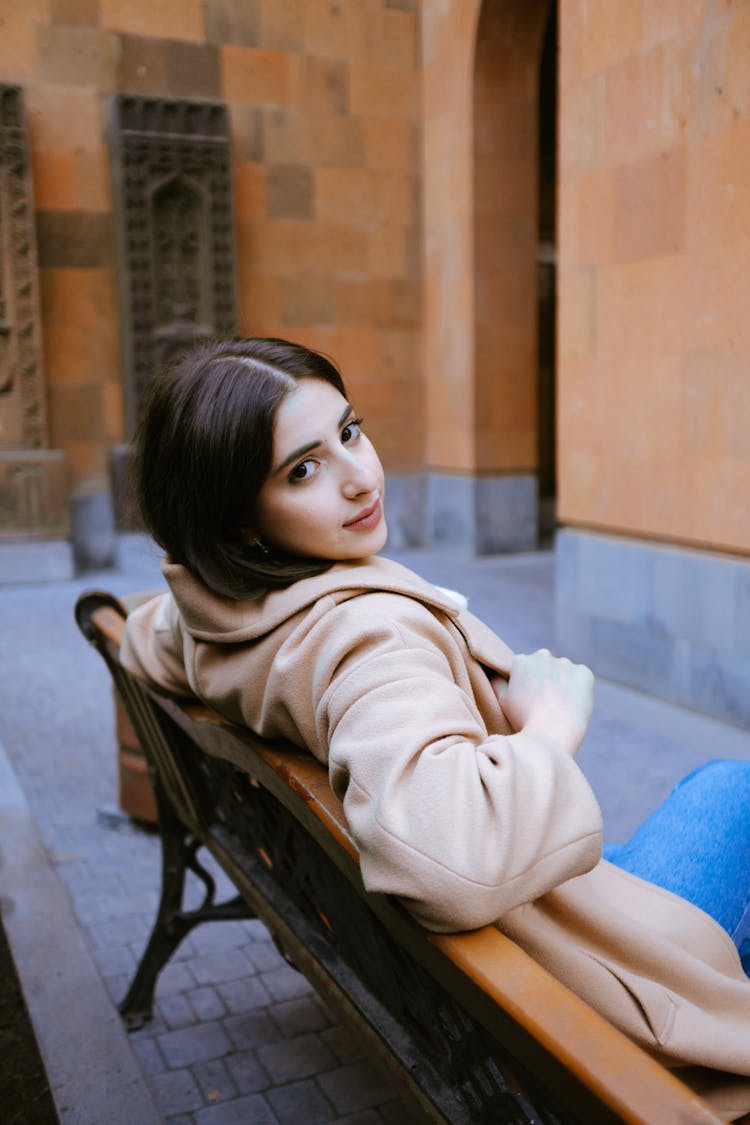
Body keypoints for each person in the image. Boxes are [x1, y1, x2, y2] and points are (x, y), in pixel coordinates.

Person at [121, 337, 750, 1112]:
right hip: (568, 978)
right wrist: (549, 727)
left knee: (715, 792)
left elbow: (143, 631)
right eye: (303, 470)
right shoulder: (370, 641)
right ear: (240, 524)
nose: (359, 479)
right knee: (734, 788)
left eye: (349, 432)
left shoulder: (218, 617)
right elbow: (448, 860)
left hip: (504, 950)